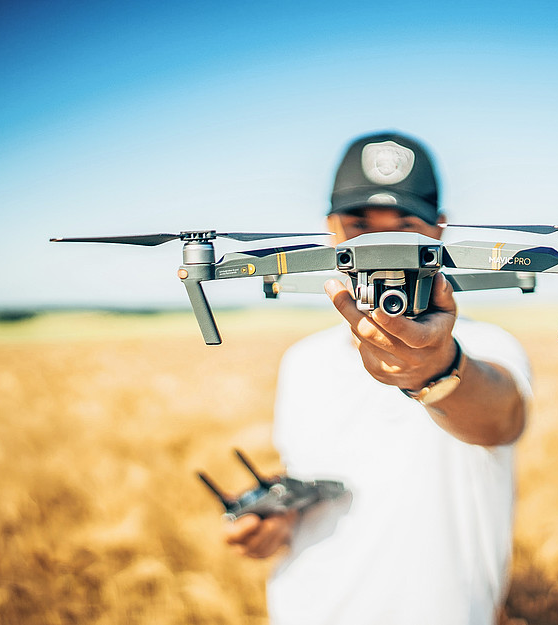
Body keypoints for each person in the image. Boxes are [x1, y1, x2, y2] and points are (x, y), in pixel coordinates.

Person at [224, 131, 532, 625]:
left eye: (404, 227)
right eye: (361, 226)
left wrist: (438, 368)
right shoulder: (301, 361)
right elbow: (312, 471)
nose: (382, 246)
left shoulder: (491, 348)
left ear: (438, 230)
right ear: (331, 229)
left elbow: (498, 419)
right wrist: (276, 521)